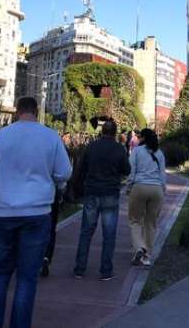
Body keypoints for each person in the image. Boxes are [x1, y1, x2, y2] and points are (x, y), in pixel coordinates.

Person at [0, 97, 72, 328]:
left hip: (3, 212)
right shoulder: (50, 136)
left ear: (17, 112)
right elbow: (64, 172)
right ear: (36, 111)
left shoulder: (2, 135)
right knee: (27, 278)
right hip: (38, 213)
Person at [73, 119, 130, 281]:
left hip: (91, 192)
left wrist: (75, 187)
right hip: (110, 193)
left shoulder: (91, 147)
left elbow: (81, 168)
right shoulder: (119, 149)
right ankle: (106, 270)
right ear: (115, 133)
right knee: (109, 233)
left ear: (102, 131)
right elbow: (127, 170)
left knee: (86, 231)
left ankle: (79, 268)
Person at [126, 128, 167, 267]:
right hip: (156, 190)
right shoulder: (160, 153)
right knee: (151, 223)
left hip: (139, 187)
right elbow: (162, 175)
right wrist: (163, 191)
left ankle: (139, 247)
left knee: (134, 220)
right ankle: (147, 256)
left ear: (142, 138)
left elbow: (131, 171)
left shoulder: (137, 151)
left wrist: (128, 187)